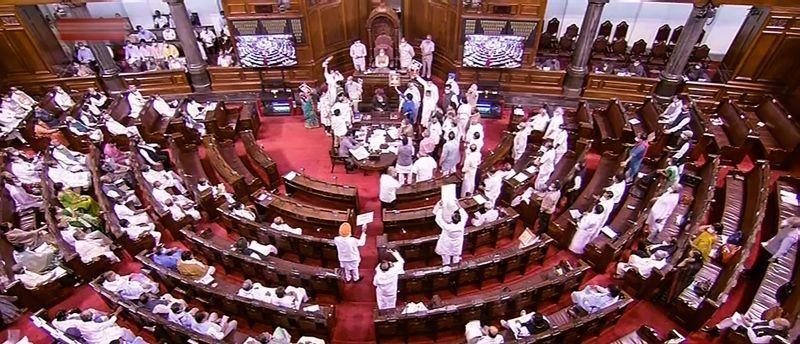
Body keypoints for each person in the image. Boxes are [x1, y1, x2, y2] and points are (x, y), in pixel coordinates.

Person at [703, 316, 790, 343]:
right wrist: (749, 320)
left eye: (774, 322)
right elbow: (758, 322)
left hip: (748, 336)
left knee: (733, 321)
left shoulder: (771, 336)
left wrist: (748, 327)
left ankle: (715, 330)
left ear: (780, 328)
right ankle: (715, 329)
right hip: (749, 327)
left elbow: (755, 341)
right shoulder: (769, 323)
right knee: (733, 319)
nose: (772, 322)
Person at [434, 200, 468, 265]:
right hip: (457, 243)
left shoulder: (447, 227)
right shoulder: (461, 224)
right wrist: (459, 206)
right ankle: (456, 265)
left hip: (447, 244)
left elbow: (438, 219)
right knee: (456, 255)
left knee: (446, 257)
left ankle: (447, 266)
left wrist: (440, 208)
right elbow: (465, 215)